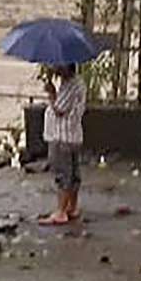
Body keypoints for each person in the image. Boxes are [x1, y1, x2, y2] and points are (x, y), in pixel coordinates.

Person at [39, 63, 87, 226]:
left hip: (62, 135)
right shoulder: (76, 83)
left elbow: (60, 109)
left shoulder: (71, 85)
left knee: (63, 174)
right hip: (72, 135)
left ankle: (61, 211)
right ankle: (71, 207)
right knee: (73, 174)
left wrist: (52, 94)